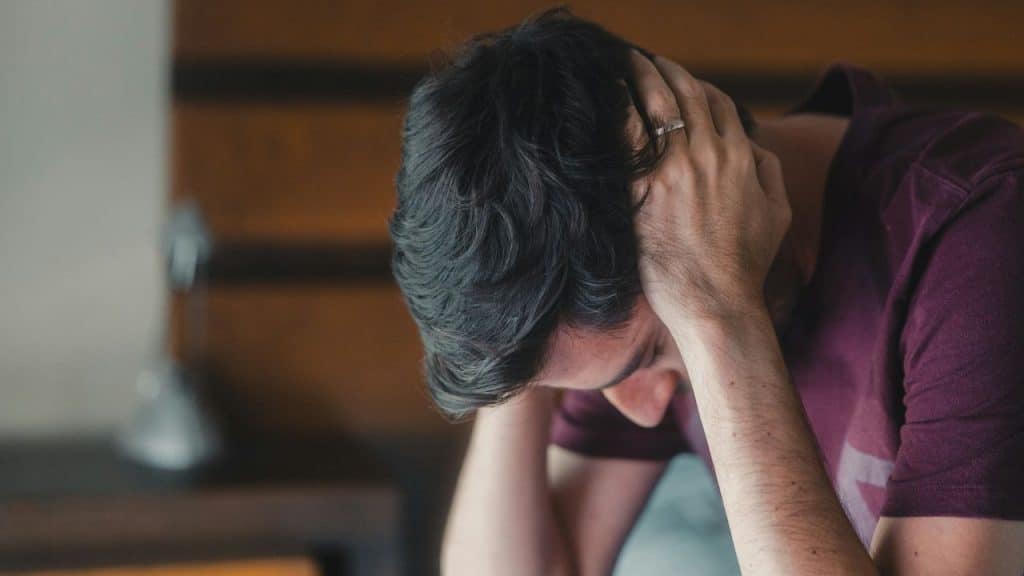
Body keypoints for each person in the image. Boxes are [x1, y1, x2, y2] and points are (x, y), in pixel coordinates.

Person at [389, 8, 1024, 575]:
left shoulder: (978, 228)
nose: (640, 409)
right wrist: (511, 339)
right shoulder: (620, 326)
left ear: (701, 192)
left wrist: (719, 317)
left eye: (648, 358)